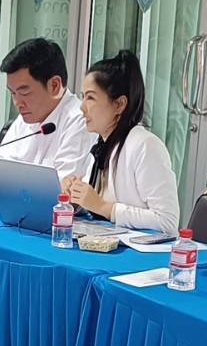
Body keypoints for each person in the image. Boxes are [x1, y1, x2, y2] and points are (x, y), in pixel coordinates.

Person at [0, 38, 94, 205]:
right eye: (13, 93)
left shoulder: (80, 121)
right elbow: (4, 171)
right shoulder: (26, 117)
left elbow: (61, 191)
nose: (17, 102)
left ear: (54, 85)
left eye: (24, 92)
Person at [60, 51, 179, 234]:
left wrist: (105, 208)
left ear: (119, 104)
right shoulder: (102, 144)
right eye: (83, 97)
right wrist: (76, 198)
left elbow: (167, 221)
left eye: (90, 98)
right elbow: (97, 208)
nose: (82, 108)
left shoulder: (145, 145)